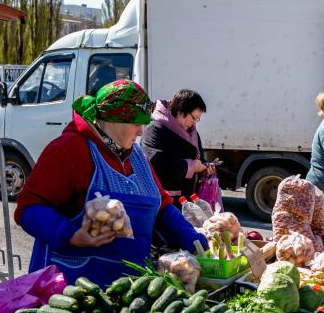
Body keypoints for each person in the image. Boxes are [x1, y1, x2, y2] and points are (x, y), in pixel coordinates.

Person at [14, 80, 207, 287]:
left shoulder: (137, 157)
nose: (141, 131)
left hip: (126, 289)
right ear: (114, 119)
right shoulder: (68, 150)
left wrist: (197, 242)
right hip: (70, 289)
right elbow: (29, 208)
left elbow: (161, 207)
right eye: (136, 124)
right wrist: (70, 235)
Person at [141, 89, 215, 204]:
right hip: (164, 202)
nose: (195, 123)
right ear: (180, 111)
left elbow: (198, 158)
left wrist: (204, 168)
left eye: (197, 119)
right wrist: (191, 166)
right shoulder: (155, 129)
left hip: (188, 201)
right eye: (193, 118)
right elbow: (155, 162)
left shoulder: (193, 132)